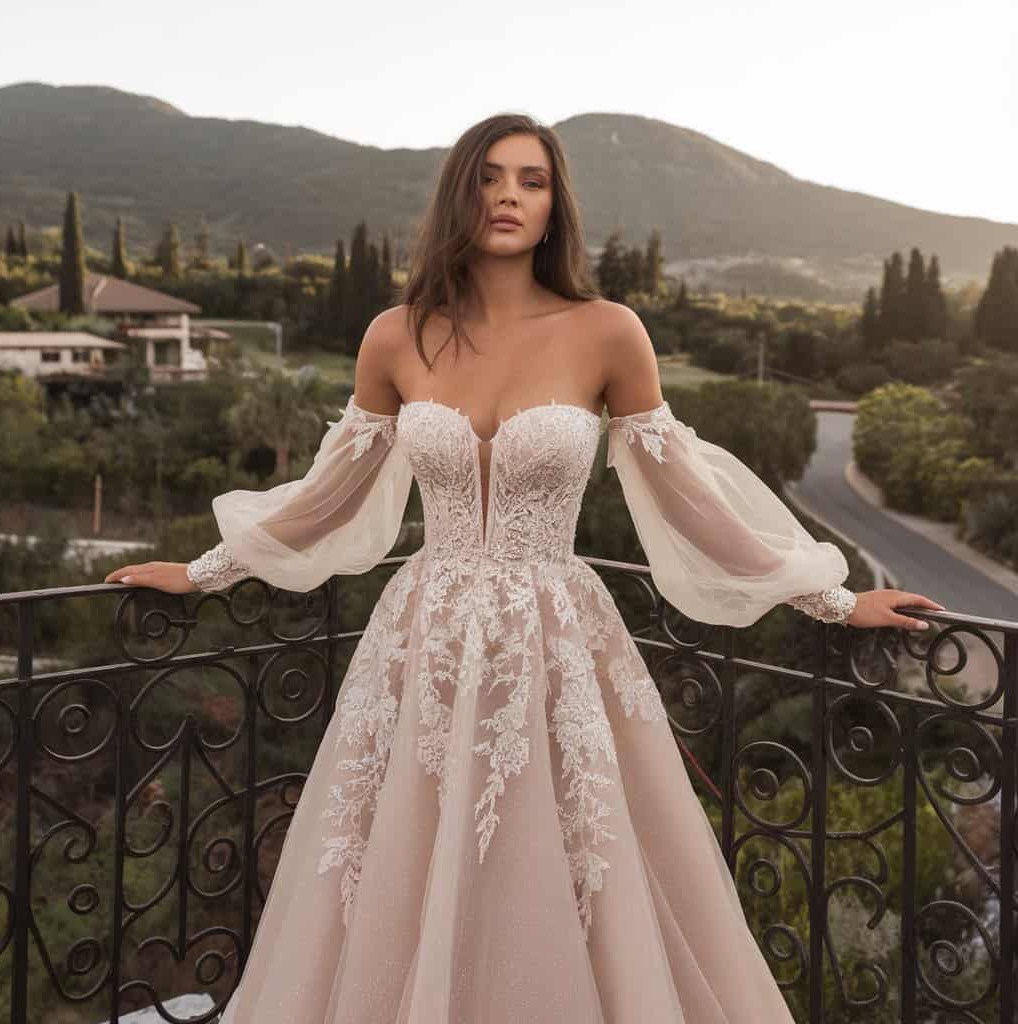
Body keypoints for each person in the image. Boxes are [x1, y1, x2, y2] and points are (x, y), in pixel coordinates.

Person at [104, 113, 943, 1023]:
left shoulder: (609, 331)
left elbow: (687, 497)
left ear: (554, 207)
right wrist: (206, 571)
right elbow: (331, 493)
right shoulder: (396, 335)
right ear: (459, 195)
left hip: (555, 642)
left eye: (532, 180)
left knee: (559, 861)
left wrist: (831, 597)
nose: (509, 196)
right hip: (422, 638)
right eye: (490, 177)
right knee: (406, 861)